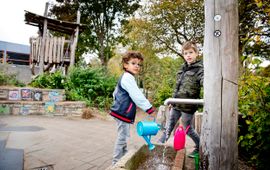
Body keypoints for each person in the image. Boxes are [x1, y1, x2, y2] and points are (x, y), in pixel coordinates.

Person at [158, 41, 204, 158]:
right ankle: (159, 146)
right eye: (185, 53)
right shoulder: (182, 69)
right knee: (169, 125)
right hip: (177, 104)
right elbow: (177, 87)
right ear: (183, 55)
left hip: (188, 106)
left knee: (187, 129)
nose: (188, 55)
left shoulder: (199, 69)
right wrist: (172, 101)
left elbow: (205, 81)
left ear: (196, 53)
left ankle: (199, 146)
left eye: (191, 52)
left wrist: (207, 83)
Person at [110, 51, 155, 165]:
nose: (137, 66)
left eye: (139, 64)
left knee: (123, 136)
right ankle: (115, 163)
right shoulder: (128, 78)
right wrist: (149, 109)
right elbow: (137, 95)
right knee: (122, 137)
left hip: (121, 111)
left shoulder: (126, 77)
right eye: (133, 63)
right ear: (125, 65)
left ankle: (123, 157)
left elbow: (115, 93)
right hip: (122, 112)